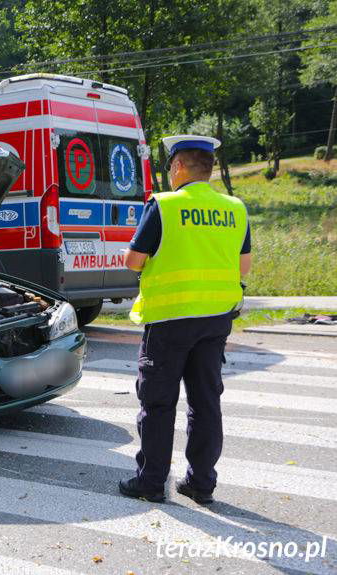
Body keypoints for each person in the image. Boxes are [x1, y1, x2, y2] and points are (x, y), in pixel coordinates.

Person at [118, 135, 252, 505]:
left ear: (177, 166)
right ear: (208, 169)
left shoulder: (163, 205)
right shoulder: (235, 208)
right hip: (215, 321)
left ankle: (150, 483)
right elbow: (244, 267)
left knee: (159, 402)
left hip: (170, 320)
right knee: (206, 401)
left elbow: (134, 261)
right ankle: (201, 484)